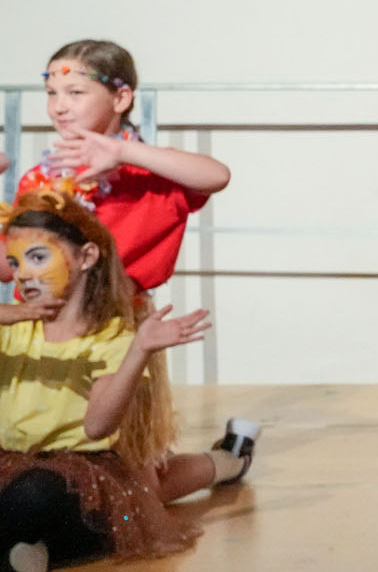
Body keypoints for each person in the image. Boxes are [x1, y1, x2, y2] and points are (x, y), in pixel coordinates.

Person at [17, 40, 254, 499]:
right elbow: (14, 271)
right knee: (47, 472)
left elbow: (216, 175)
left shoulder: (151, 173)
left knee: (133, 491)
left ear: (121, 98)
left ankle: (229, 460)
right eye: (51, 93)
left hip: (120, 334)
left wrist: (122, 154)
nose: (59, 107)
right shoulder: (40, 180)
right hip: (48, 337)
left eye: (75, 93)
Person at [0, 191, 221, 572]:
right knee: (20, 494)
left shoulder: (111, 337)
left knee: (35, 493)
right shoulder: (13, 329)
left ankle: (28, 542)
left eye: (37, 257)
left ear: (86, 257)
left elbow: (97, 427)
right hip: (10, 463)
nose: (23, 274)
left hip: (77, 479)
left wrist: (139, 352)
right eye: (15, 262)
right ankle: (22, 546)